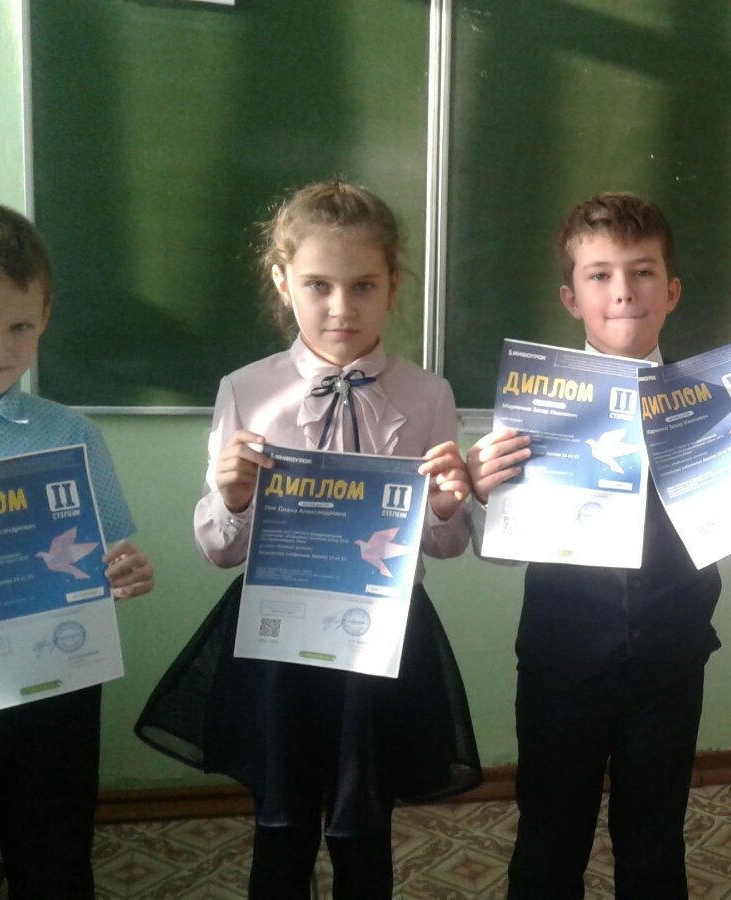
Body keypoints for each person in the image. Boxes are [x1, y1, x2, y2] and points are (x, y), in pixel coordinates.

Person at [135, 180, 480, 899]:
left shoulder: (429, 395)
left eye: (363, 286)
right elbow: (218, 549)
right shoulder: (246, 389)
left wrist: (448, 507)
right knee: (282, 823)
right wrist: (233, 498)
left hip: (379, 638)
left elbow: (444, 548)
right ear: (281, 280)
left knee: (364, 824)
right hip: (276, 640)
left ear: (393, 285)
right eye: (318, 285)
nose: (341, 308)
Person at [466, 191, 731, 899]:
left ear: (672, 290)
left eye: (643, 272)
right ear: (571, 298)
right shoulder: (534, 405)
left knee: (654, 842)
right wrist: (481, 492)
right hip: (561, 660)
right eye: (599, 275)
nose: (623, 291)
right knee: (548, 839)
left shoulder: (718, 405)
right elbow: (498, 552)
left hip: (670, 660)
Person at [0, 200, 155, 898]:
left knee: (55, 857)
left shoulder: (71, 433)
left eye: (19, 326)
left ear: (45, 317)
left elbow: (106, 555)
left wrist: (124, 572)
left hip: (53, 689)